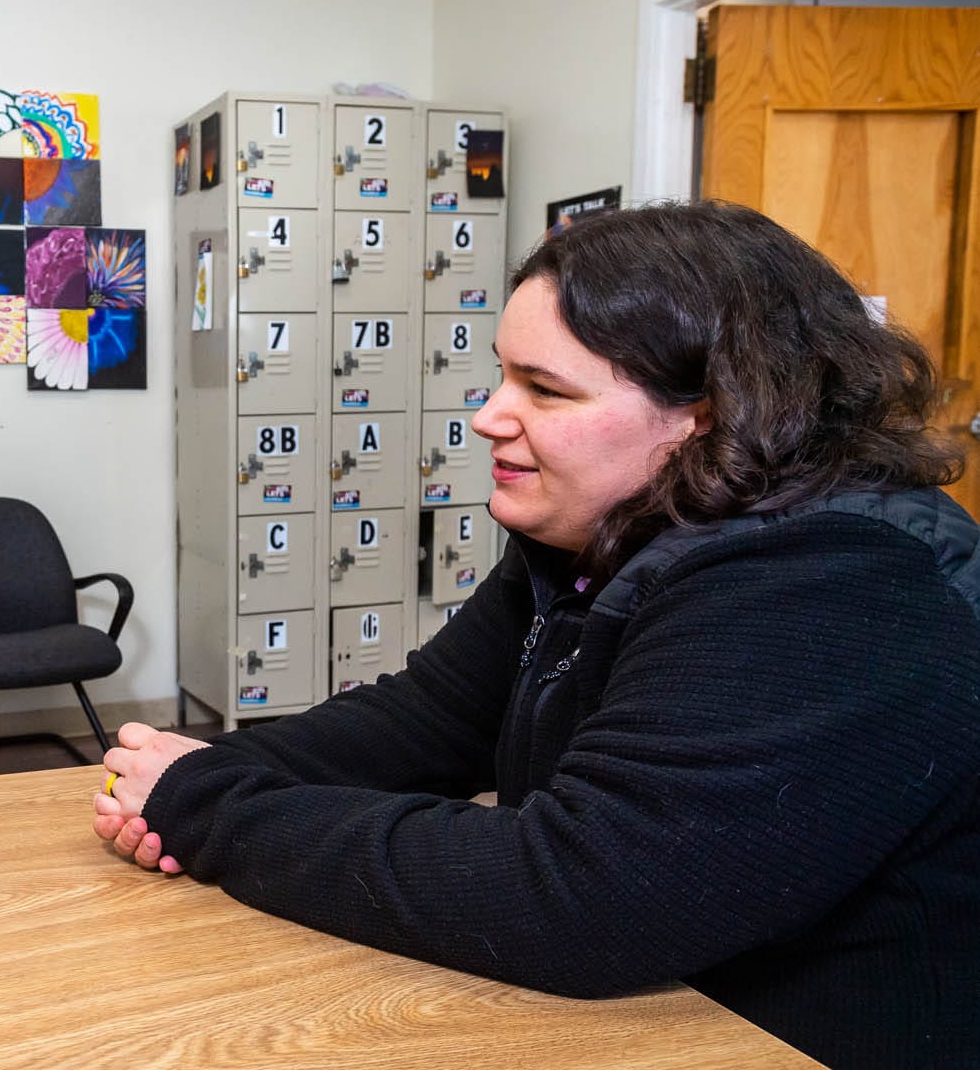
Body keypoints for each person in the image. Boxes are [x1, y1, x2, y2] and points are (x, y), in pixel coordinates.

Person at [96, 201, 978, 1068]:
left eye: (546, 390)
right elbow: (427, 719)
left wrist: (209, 808)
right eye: (502, 375)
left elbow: (579, 897)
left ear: (708, 412)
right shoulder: (608, 533)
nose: (488, 416)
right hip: (682, 1013)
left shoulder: (833, 580)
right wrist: (200, 772)